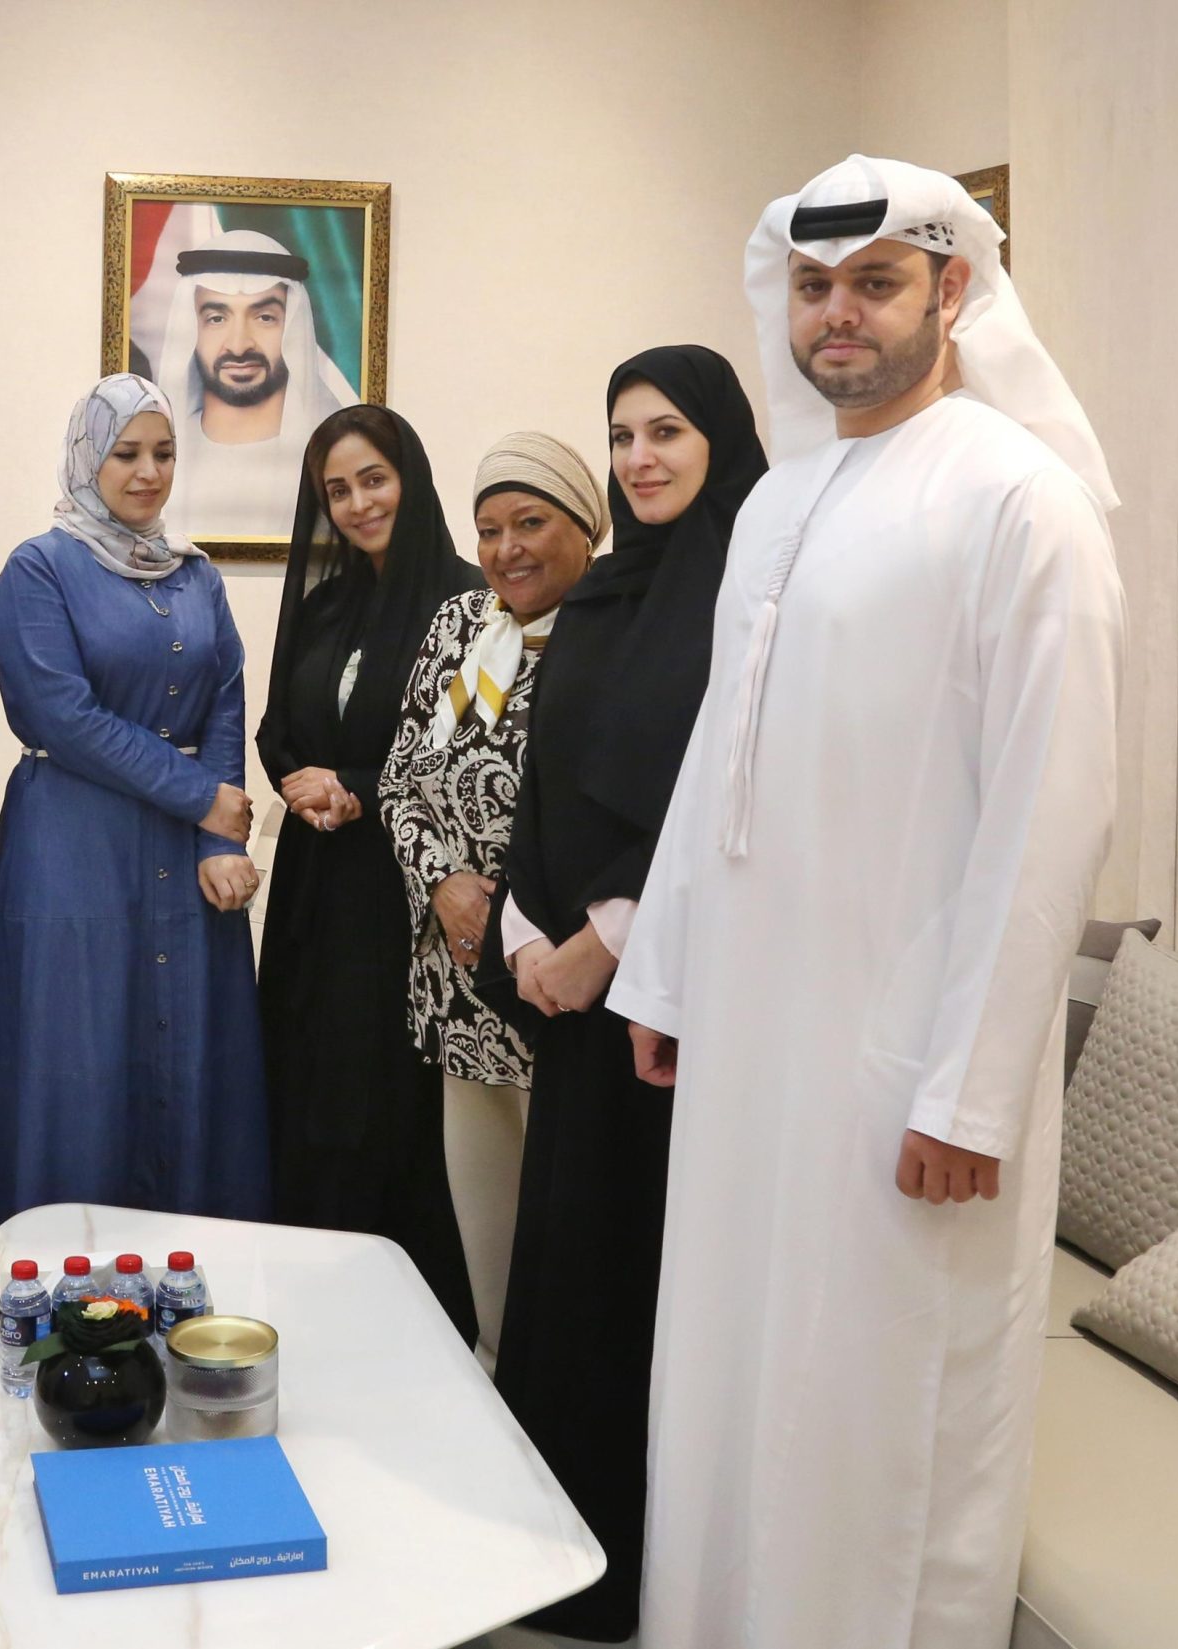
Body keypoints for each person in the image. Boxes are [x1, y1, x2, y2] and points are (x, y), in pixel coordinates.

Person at [611, 157, 1123, 1648]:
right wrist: (673, 975)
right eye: (814, 286)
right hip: (752, 1047)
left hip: (902, 1073)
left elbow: (1052, 812)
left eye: (876, 283)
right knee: (729, 1384)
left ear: (953, 290)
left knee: (873, 1430)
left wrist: (973, 1088)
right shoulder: (778, 501)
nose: (838, 314)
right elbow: (721, 758)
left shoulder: (1022, 500)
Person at [482, 346, 768, 1641]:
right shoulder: (604, 595)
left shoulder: (750, 594)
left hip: (679, 1005)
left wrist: (607, 941)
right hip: (567, 994)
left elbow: (722, 797)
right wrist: (526, 935)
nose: (640, 458)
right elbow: (547, 777)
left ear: (719, 440)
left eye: (667, 432)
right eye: (622, 435)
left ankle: (645, 1569)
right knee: (567, 1259)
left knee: (641, 1273)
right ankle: (559, 1543)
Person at [0, 374, 267, 1250]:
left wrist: (217, 839)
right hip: (73, 844)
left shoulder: (197, 574)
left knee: (189, 1058)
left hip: (187, 853)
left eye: (163, 453)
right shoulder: (38, 569)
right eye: (126, 453)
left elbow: (226, 697)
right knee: (77, 1061)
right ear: (90, 457)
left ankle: (191, 1284)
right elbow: (60, 716)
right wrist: (202, 795)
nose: (147, 472)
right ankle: (62, 1291)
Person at [378, 431, 606, 1370]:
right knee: (488, 1240)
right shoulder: (463, 626)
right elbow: (402, 778)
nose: (507, 548)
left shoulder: (614, 628)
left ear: (585, 525)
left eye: (531, 522)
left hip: (564, 986)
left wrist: (510, 908)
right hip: (461, 984)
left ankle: (555, 1412)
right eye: (489, 529)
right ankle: (494, 1385)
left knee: (574, 1241)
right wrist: (442, 881)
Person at [255, 405, 480, 1341]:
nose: (357, 504)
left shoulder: (472, 606)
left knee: (387, 1101)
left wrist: (354, 784)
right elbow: (277, 728)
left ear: (410, 478)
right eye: (337, 490)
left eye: (373, 480)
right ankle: (307, 1315)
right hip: (315, 886)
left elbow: (463, 750)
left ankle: (407, 1333)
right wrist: (302, 782)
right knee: (308, 1087)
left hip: (406, 896)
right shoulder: (324, 606)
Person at [152, 228, 358, 540]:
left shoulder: (335, 455)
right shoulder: (155, 463)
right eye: (216, 319)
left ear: (293, 328)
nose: (238, 346)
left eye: (264, 318)